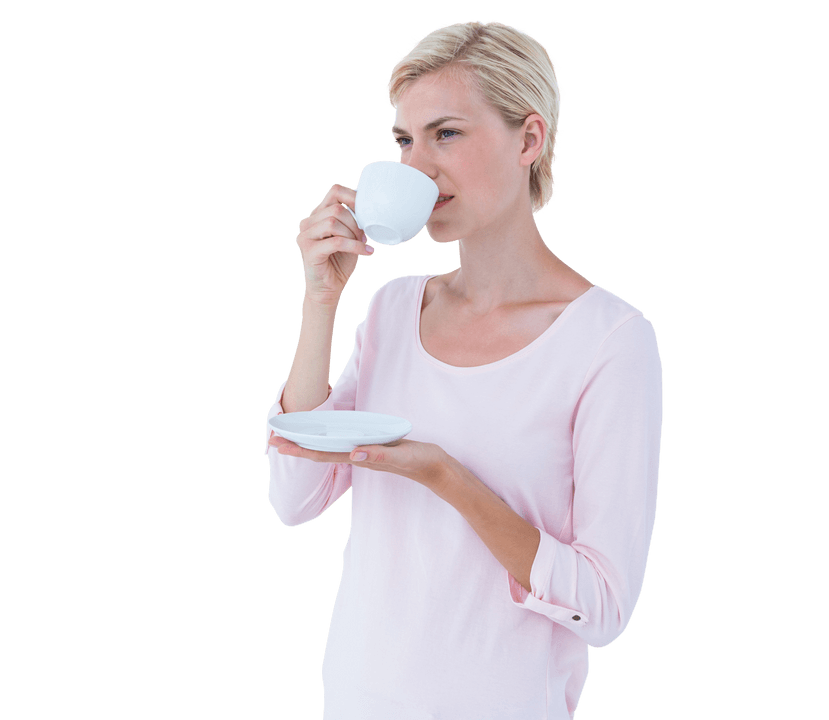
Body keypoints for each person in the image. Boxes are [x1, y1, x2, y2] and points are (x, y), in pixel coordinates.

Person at [263, 20, 665, 720]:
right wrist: (321, 299)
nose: (416, 166)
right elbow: (294, 497)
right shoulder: (393, 307)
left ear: (529, 140)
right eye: (403, 141)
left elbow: (603, 606)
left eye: (446, 133)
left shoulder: (609, 341)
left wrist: (445, 477)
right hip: (358, 701)